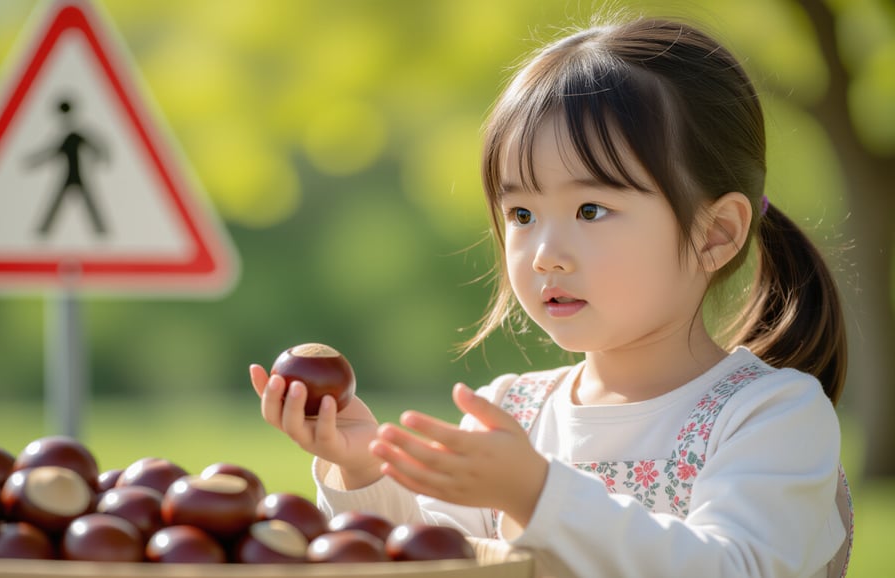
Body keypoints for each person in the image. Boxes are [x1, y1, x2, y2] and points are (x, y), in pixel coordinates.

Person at [250, 16, 852, 578]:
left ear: (715, 233)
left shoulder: (769, 416)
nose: (545, 253)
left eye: (591, 209)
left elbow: (734, 566)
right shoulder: (512, 413)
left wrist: (537, 494)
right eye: (521, 212)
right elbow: (437, 557)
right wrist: (361, 467)